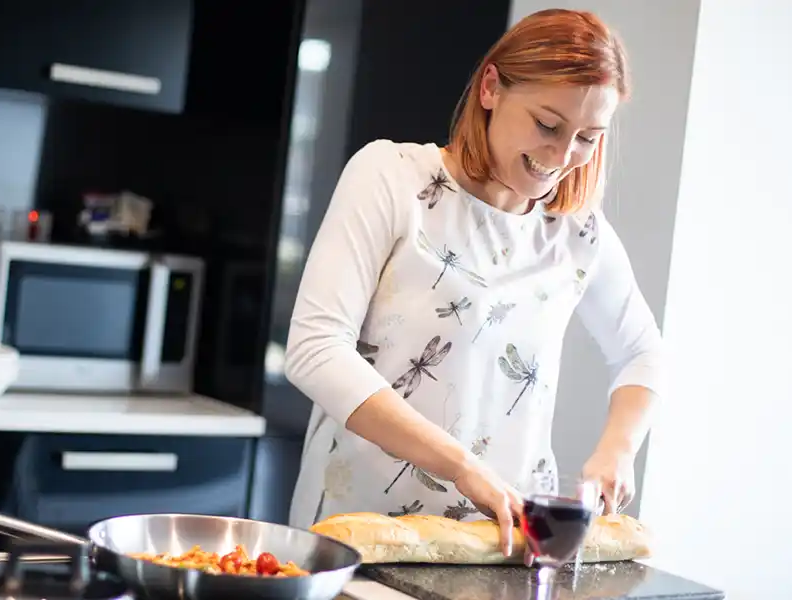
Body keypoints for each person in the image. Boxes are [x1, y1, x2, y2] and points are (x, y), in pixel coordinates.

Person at [283, 8, 663, 557]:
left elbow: (642, 352)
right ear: (491, 88)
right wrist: (462, 467)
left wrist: (618, 449)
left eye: (588, 138)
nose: (562, 158)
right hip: (360, 531)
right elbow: (315, 349)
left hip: (503, 544)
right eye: (548, 125)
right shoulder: (391, 178)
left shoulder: (577, 233)